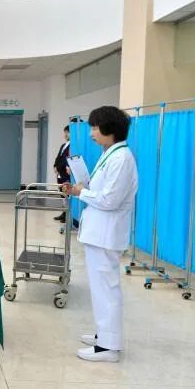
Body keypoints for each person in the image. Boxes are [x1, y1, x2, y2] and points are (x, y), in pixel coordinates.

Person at [65, 106, 138, 363]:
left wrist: (81, 192)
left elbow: (110, 200)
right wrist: (82, 186)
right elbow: (101, 190)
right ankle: (104, 335)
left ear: (110, 129)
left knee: (106, 288)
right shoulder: (111, 154)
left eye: (95, 128)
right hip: (99, 232)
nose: (92, 133)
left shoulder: (121, 159)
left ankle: (109, 347)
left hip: (107, 233)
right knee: (100, 288)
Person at [53, 125, 71, 222]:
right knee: (62, 194)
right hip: (60, 174)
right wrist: (55, 166)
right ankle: (63, 213)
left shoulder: (73, 146)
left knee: (67, 194)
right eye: (65, 133)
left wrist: (61, 167)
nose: (65, 135)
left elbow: (66, 160)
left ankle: (67, 215)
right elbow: (58, 157)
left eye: (67, 133)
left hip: (66, 174)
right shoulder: (64, 145)